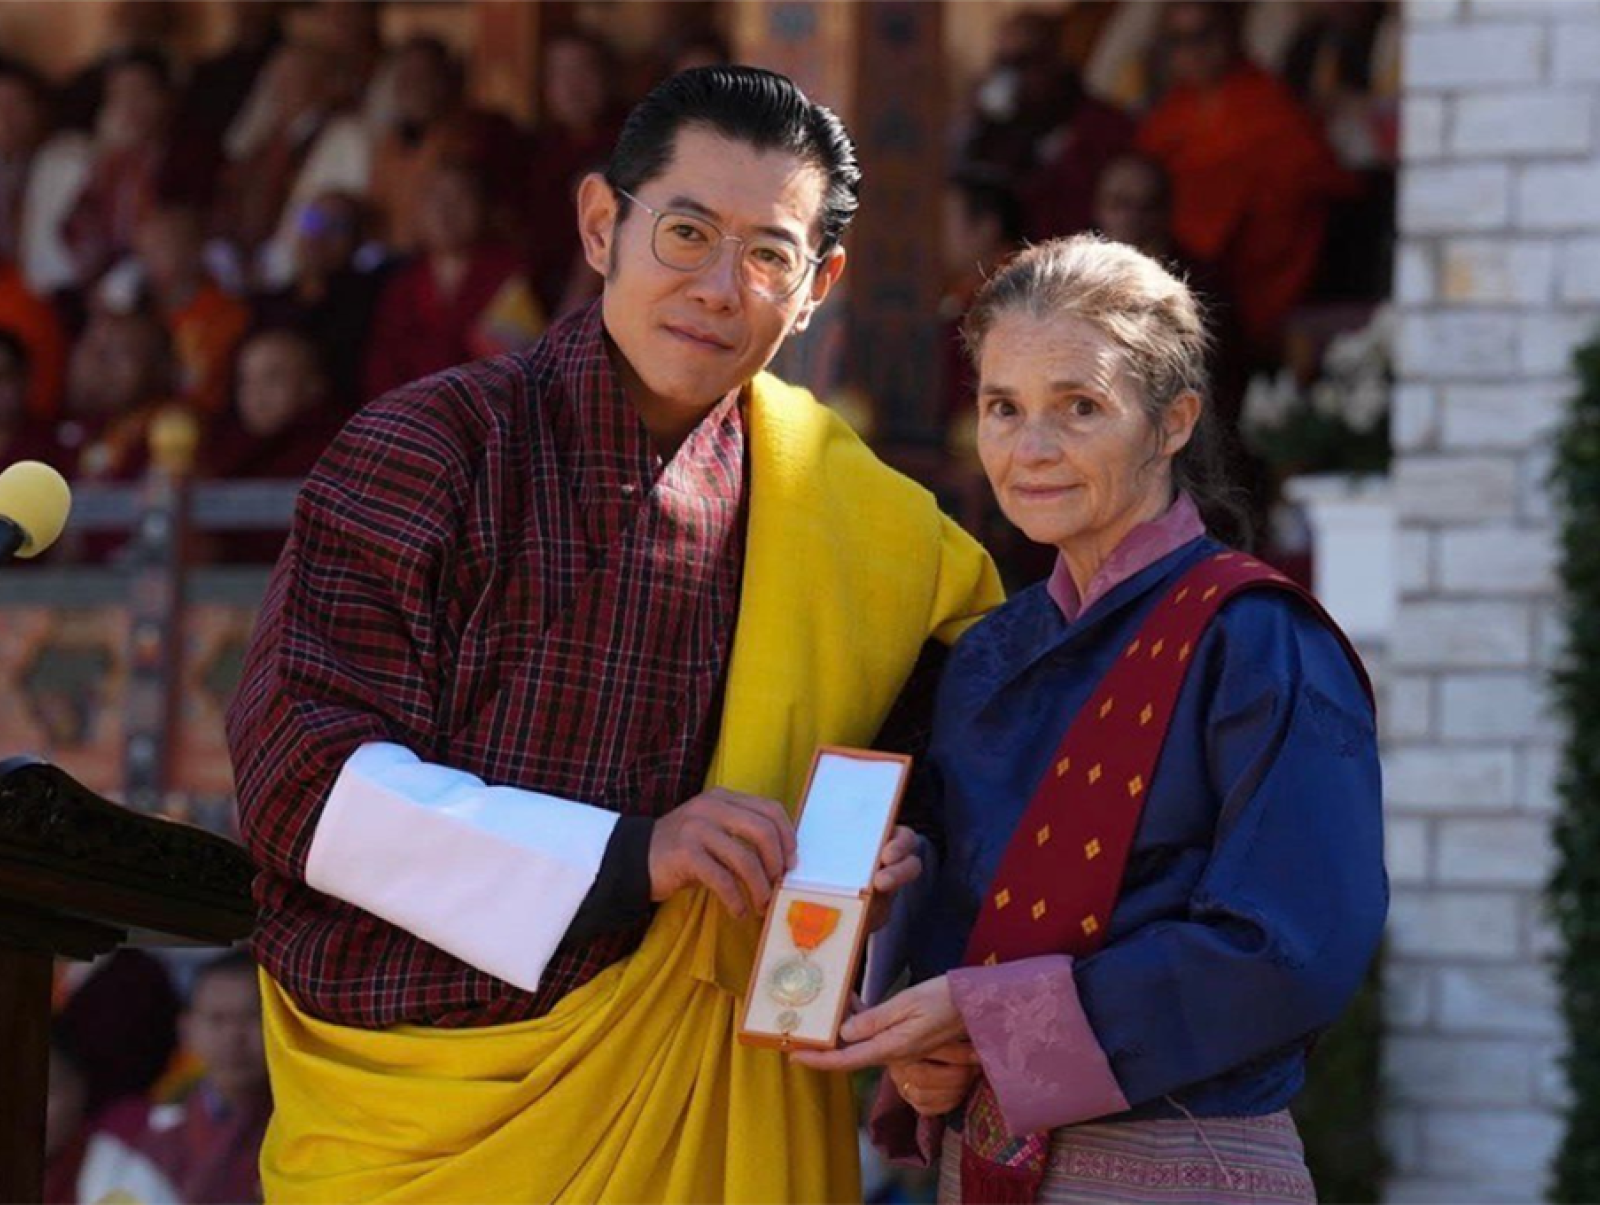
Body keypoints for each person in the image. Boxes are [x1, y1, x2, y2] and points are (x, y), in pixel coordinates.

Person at [226, 65, 1003, 1205]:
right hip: (412, 1123)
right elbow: (303, 780)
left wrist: (895, 882)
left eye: (769, 254)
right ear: (603, 223)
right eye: (685, 231)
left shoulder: (864, 527)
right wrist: (634, 852)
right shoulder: (436, 445)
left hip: (703, 1102)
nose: (718, 287)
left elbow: (951, 772)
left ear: (818, 284)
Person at [796, 236, 1386, 1203]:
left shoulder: (1259, 642)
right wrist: (914, 975)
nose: (1031, 450)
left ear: (1172, 421)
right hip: (977, 1162)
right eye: (1003, 408)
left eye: (1080, 407)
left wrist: (987, 1020)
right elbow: (967, 925)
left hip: (1176, 1165)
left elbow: (1293, 949)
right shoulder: (988, 651)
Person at [1136, 0, 1352, 363]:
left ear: (1232, 35)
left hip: (1244, 289)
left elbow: (1311, 187)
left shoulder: (1270, 107)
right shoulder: (1170, 113)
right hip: (1175, 275)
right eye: (1178, 39)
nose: (1192, 51)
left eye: (1203, 35)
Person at [97, 951, 272, 1205]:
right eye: (217, 1019)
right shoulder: (141, 1125)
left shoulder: (308, 1121)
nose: (233, 1037)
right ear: (187, 1029)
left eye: (252, 1017)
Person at [362, 159, 542, 399]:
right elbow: (383, 367)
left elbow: (516, 366)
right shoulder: (402, 285)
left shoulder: (510, 274)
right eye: (435, 198)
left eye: (460, 198)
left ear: (483, 208)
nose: (446, 210)